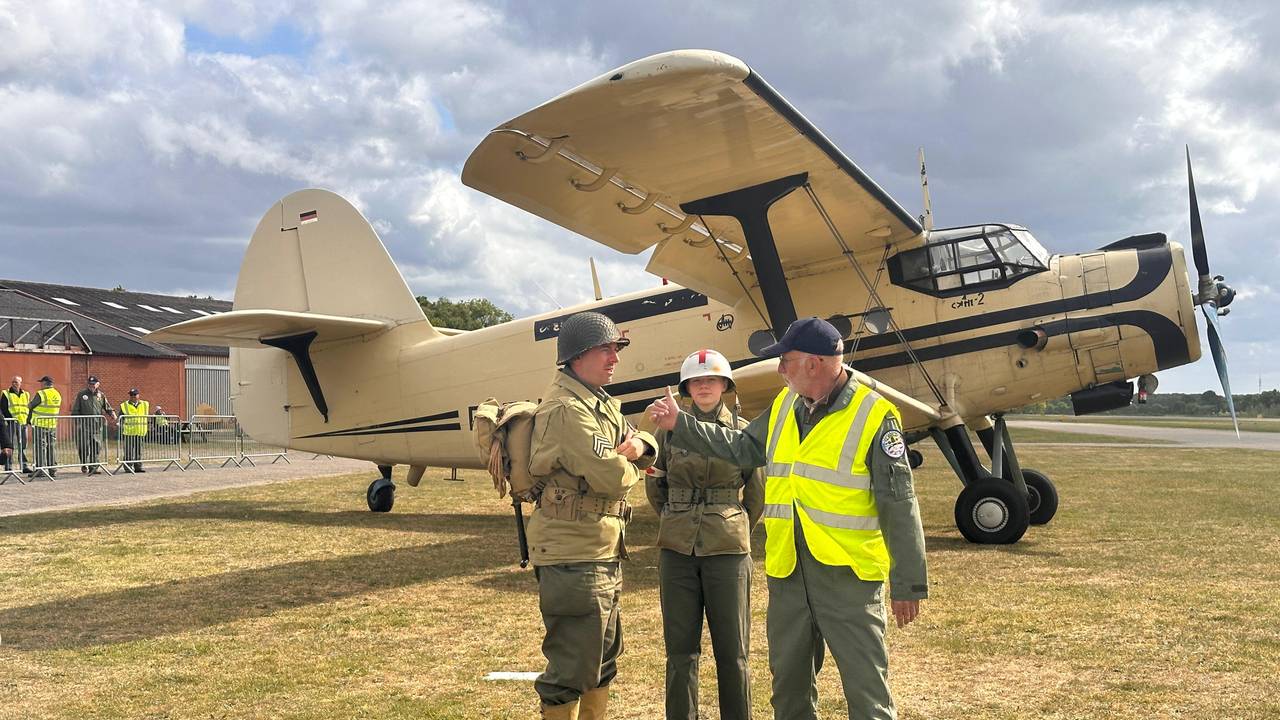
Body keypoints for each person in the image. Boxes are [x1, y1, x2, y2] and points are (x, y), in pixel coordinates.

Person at [648, 317, 929, 720]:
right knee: (789, 692)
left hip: (847, 575)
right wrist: (682, 424)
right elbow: (741, 447)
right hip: (789, 572)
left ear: (813, 364)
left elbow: (899, 502)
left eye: (786, 360)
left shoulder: (875, 414)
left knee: (867, 694)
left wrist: (909, 582)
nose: (779, 369)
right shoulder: (784, 405)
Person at [527, 311, 658, 720]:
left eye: (615, 349)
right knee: (572, 666)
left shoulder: (598, 403)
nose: (615, 358)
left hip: (599, 548)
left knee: (602, 658)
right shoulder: (568, 410)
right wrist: (634, 452)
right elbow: (614, 477)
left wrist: (638, 446)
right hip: (574, 551)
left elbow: (642, 441)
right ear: (577, 355)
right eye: (606, 349)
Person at [646, 349, 764, 720]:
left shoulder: (743, 432)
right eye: (696, 381)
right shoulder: (667, 431)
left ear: (724, 385)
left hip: (727, 550)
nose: (704, 386)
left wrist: (730, 522)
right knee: (680, 652)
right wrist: (676, 516)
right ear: (686, 388)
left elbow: (756, 495)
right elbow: (656, 483)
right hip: (677, 549)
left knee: (734, 652)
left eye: (711, 379)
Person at [71, 375, 116, 475]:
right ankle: (84, 463)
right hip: (84, 426)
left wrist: (112, 413)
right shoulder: (81, 394)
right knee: (83, 446)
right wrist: (78, 422)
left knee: (96, 446)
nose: (91, 386)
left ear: (98, 384)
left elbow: (107, 406)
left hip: (96, 426)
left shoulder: (101, 395)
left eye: (93, 384)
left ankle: (93, 467)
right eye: (90, 384)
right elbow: (75, 410)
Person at [28, 375, 62, 477]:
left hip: (40, 424)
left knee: (40, 447)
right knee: (51, 447)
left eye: (41, 383)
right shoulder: (57, 394)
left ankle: (40, 470)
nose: (40, 385)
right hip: (52, 424)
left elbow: (31, 405)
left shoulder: (41, 393)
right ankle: (53, 470)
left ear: (44, 383)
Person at [2, 375, 30, 473]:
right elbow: (4, 408)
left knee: (23, 445)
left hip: (23, 423)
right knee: (10, 445)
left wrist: (28, 420)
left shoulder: (26, 394)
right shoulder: (6, 393)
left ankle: (24, 466)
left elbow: (28, 408)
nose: (14, 384)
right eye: (13, 382)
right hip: (11, 423)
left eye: (16, 382)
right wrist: (11, 419)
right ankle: (8, 466)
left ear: (20, 383)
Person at [119, 388, 150, 473]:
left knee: (138, 451)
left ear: (138, 395)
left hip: (140, 431)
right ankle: (128, 467)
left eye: (134, 395)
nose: (133, 397)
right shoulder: (124, 405)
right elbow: (120, 418)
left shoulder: (145, 404)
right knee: (128, 451)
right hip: (129, 432)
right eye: (131, 395)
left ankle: (138, 467)